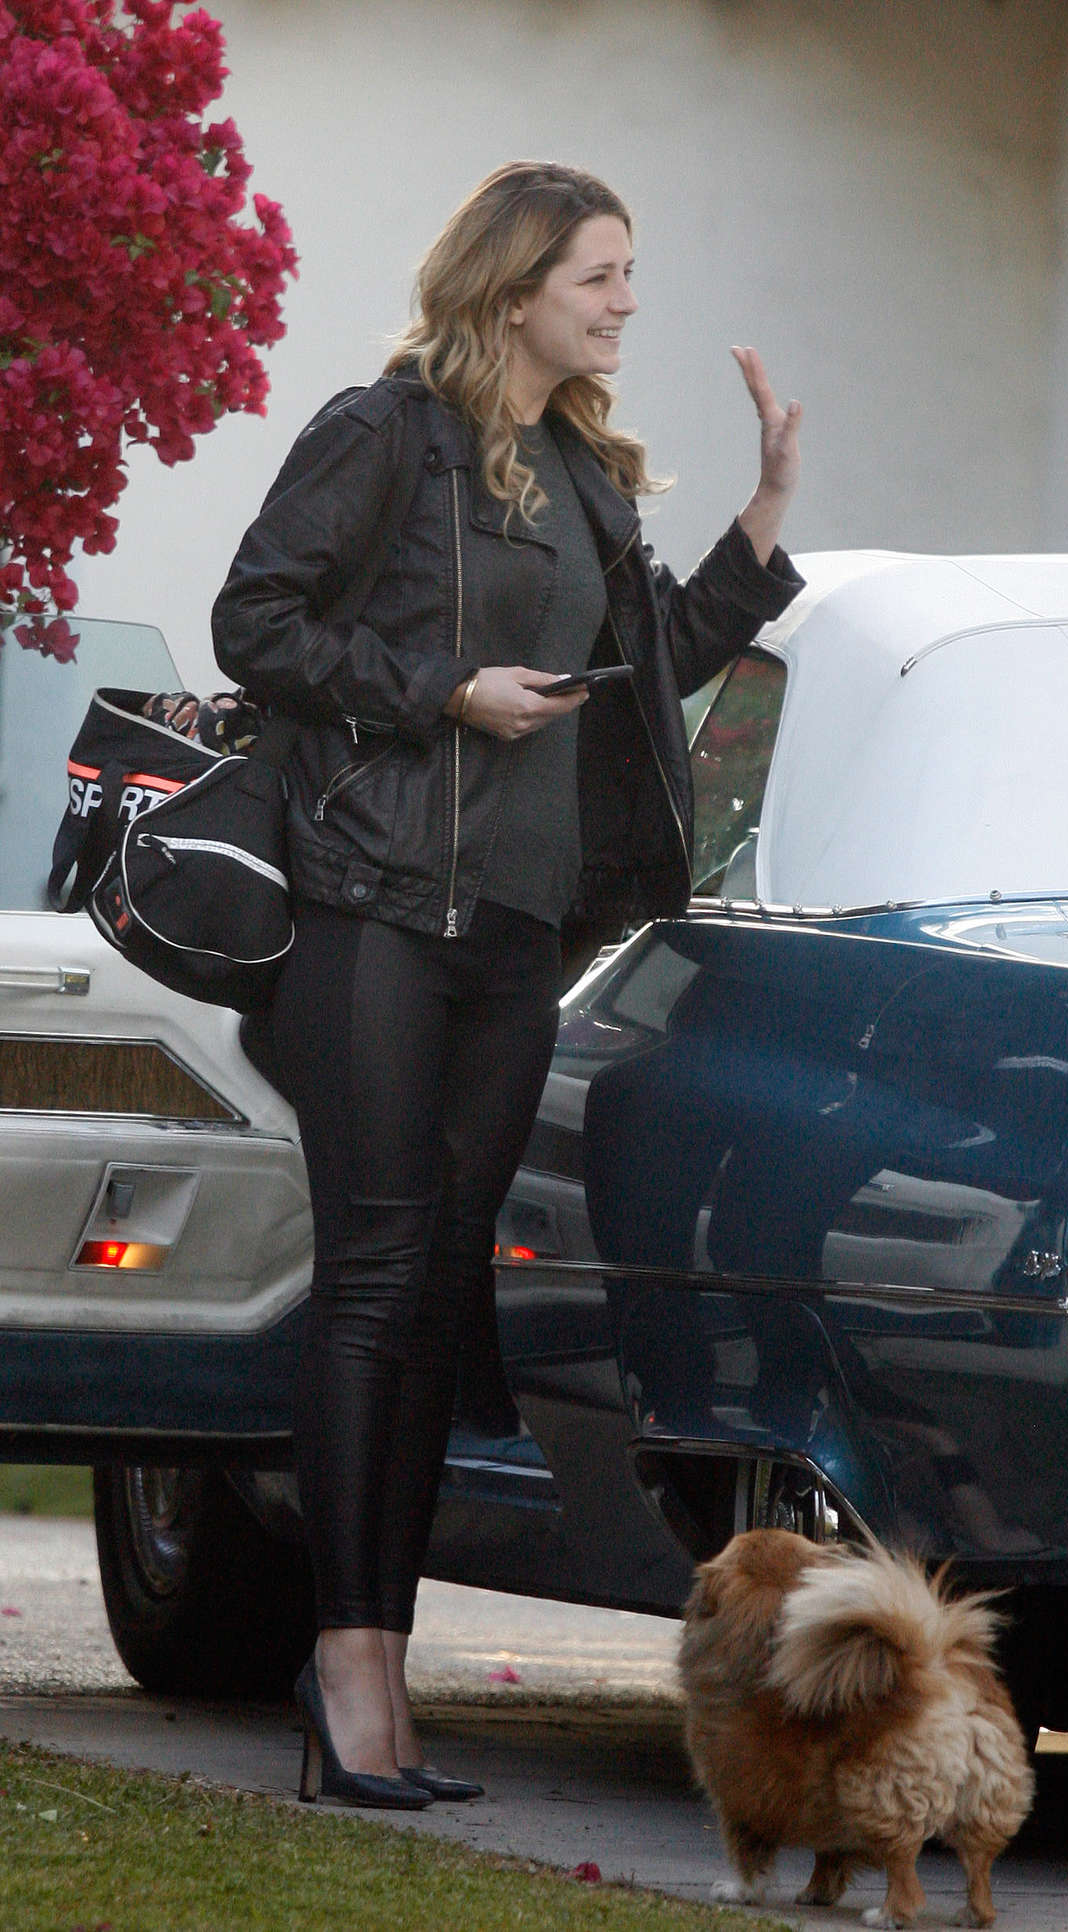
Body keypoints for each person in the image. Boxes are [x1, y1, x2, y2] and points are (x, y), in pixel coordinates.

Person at [211, 160, 804, 1809]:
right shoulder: (380, 433)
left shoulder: (583, 471)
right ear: (515, 281)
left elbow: (643, 675)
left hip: (518, 931)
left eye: (629, 271)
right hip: (377, 906)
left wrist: (761, 524)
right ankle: (343, 1674)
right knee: (377, 1281)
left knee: (437, 1296)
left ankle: (383, 1688)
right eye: (601, 273)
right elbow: (254, 622)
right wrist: (439, 692)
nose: (625, 301)